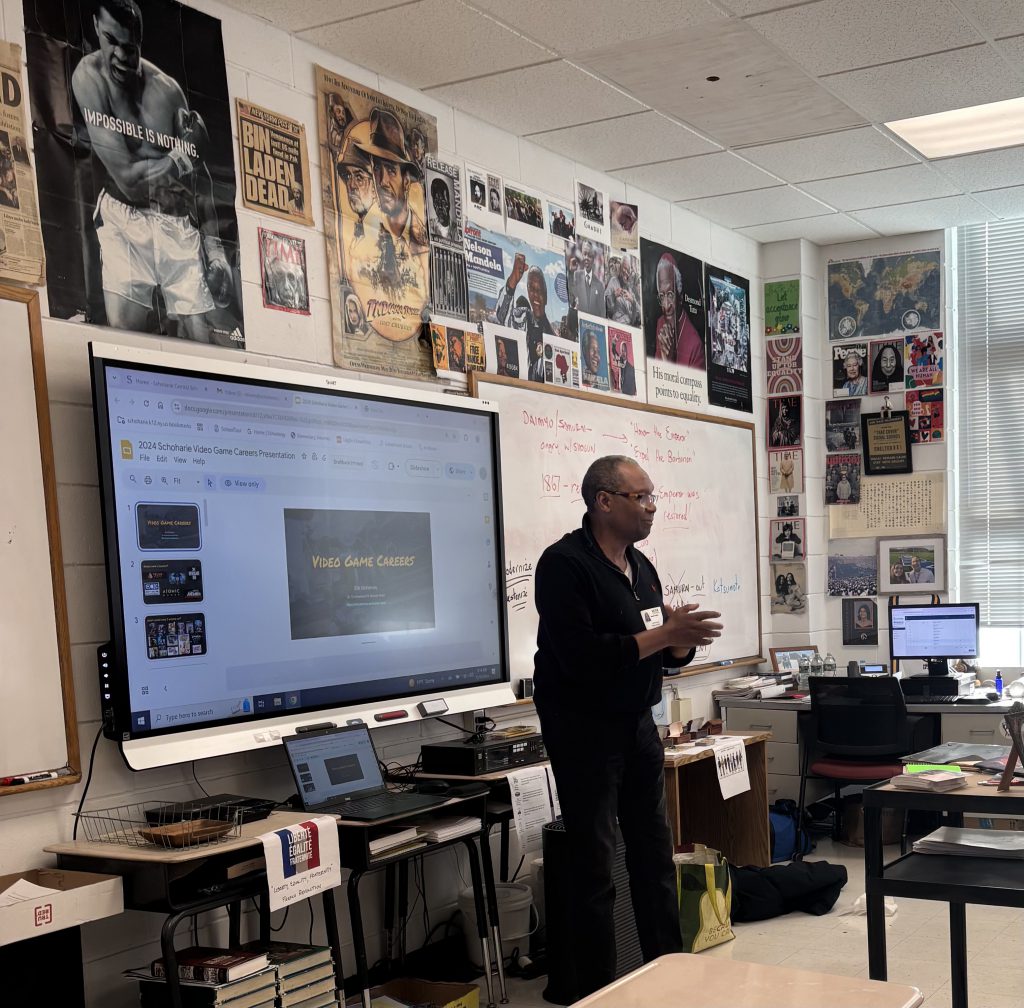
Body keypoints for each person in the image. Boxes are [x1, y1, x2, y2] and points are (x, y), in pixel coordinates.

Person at [534, 455, 723, 997]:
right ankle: (597, 991)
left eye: (652, 497)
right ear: (604, 501)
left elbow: (658, 652)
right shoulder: (564, 565)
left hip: (638, 726)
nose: (651, 508)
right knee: (595, 869)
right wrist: (665, 637)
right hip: (583, 731)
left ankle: (668, 979)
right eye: (641, 497)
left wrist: (680, 641)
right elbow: (583, 658)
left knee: (654, 856)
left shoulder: (641, 568)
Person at [71, 0, 233, 341]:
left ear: (140, 41)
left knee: (204, 346)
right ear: (97, 30)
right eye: (110, 41)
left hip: (175, 220)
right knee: (124, 341)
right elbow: (130, 183)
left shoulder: (168, 92)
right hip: (122, 218)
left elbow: (198, 177)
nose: (118, 55)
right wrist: (182, 155)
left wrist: (215, 250)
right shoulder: (88, 79)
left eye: (128, 47)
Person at [354, 108, 428, 295]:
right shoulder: (363, 243)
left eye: (391, 171)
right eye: (377, 169)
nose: (382, 181)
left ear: (405, 180)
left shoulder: (423, 241)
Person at [494, 253, 554, 368]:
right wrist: (512, 283)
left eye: (539, 290)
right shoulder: (522, 317)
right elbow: (502, 316)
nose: (535, 295)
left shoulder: (552, 336)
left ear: (545, 296)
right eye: (531, 289)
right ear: (527, 290)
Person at [654, 253, 705, 369]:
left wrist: (669, 362)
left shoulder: (695, 346)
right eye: (662, 296)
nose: (666, 306)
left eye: (670, 295)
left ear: (680, 295)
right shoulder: (660, 323)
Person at [572, 240, 605, 316]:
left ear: (593, 259)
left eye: (589, 255)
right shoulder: (576, 275)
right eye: (584, 254)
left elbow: (602, 312)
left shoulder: (599, 285)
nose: (586, 258)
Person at [606, 256, 640, 326]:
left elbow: (639, 316)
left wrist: (633, 301)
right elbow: (604, 306)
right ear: (620, 268)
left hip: (630, 327)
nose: (626, 272)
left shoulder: (630, 291)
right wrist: (613, 295)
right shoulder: (613, 281)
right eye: (624, 268)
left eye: (628, 270)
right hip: (616, 325)